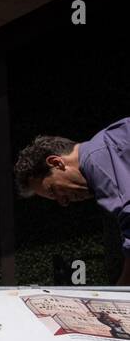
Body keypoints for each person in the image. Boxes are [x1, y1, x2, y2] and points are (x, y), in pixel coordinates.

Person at [14, 118, 130, 285]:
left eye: (53, 190)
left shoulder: (96, 161)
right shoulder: (110, 143)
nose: (64, 201)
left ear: (56, 162)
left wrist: (122, 293)